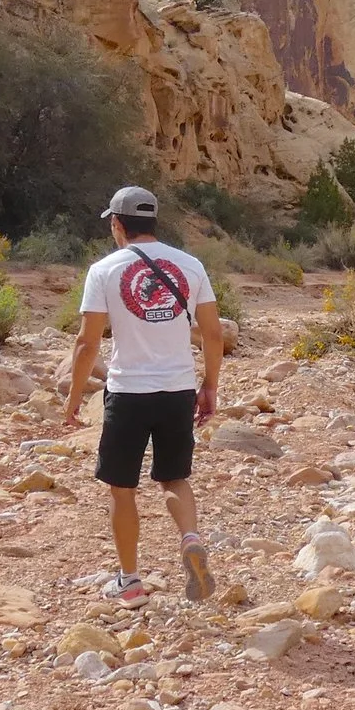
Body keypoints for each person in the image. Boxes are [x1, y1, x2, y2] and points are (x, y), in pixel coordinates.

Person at [62, 186, 222, 608]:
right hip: (177, 389)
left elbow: (86, 343)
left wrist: (74, 397)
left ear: (117, 224)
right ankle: (190, 539)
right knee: (174, 478)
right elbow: (212, 332)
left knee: (121, 488)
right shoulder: (191, 266)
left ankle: (130, 582)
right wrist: (210, 386)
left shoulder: (104, 271)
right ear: (155, 222)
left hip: (128, 391)